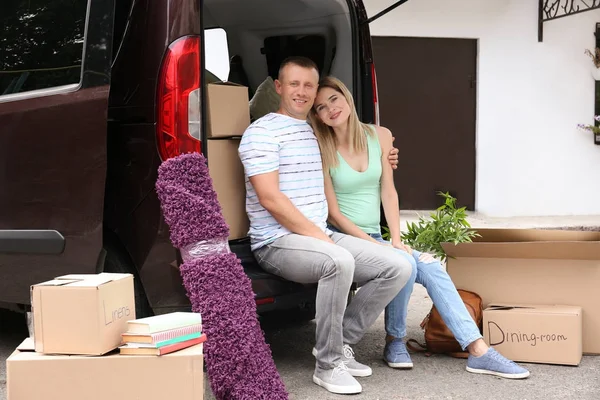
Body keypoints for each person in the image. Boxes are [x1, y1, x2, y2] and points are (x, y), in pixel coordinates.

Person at [308, 76, 531, 380]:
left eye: (334, 99)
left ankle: (478, 351)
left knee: (431, 267)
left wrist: (395, 239)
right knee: (405, 264)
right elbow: (332, 213)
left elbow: (388, 191)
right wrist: (382, 247)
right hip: (347, 239)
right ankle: (394, 340)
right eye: (321, 107)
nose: (330, 109)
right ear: (317, 117)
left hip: (377, 237)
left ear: (346, 97)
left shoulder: (380, 136)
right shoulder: (322, 147)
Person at [238, 57, 414, 395]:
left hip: (321, 235)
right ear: (278, 87)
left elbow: (358, 144)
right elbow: (270, 199)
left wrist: (388, 152)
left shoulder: (316, 131)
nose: (302, 92)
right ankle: (328, 365)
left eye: (309, 85)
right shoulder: (261, 132)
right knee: (338, 261)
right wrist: (321, 238)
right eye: (294, 84)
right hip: (276, 242)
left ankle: (338, 344)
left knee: (398, 265)